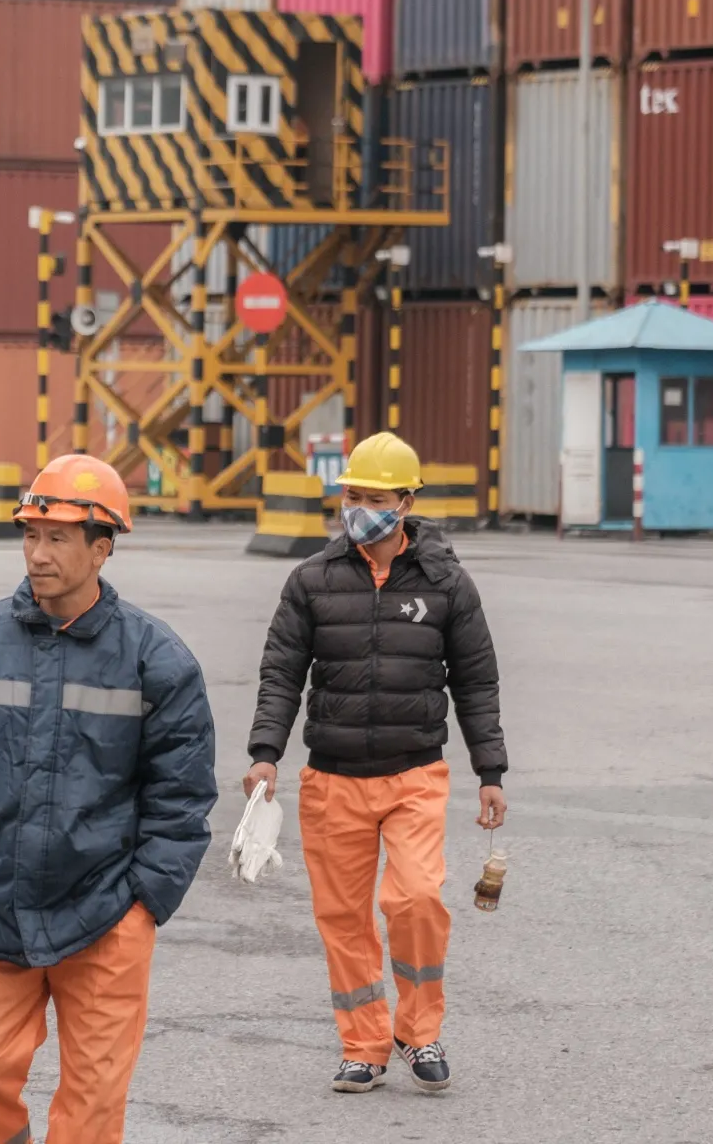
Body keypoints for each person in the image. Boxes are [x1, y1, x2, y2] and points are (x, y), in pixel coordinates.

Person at [0, 453, 218, 1144]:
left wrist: (143, 903)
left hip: (104, 915)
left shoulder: (159, 661)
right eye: (31, 535)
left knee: (94, 1102)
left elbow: (181, 798)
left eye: (58, 538)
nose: (38, 554)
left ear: (102, 549)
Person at [245, 432, 508, 1096]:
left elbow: (476, 682)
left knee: (416, 899)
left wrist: (490, 773)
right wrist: (265, 755)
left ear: (406, 502)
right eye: (352, 496)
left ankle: (419, 1033)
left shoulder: (447, 584)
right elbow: (281, 674)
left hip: (414, 774)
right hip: (330, 778)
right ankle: (363, 1044)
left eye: (373, 497)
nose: (358, 508)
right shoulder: (311, 581)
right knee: (343, 918)